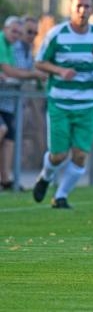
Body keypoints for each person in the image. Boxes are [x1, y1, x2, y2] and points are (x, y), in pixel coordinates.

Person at [32, 0, 93, 208]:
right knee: (58, 155)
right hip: (60, 102)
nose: (82, 10)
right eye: (78, 6)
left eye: (87, 6)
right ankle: (45, 176)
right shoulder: (57, 34)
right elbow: (39, 62)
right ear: (71, 8)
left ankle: (61, 196)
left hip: (88, 104)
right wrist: (60, 71)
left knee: (80, 155)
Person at [0, 16, 46, 191]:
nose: (31, 36)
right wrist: (34, 75)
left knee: (10, 138)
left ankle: (5, 181)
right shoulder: (6, 44)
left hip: (10, 104)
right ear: (6, 29)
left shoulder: (18, 46)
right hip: (4, 100)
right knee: (3, 130)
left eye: (35, 33)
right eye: (28, 32)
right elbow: (11, 71)